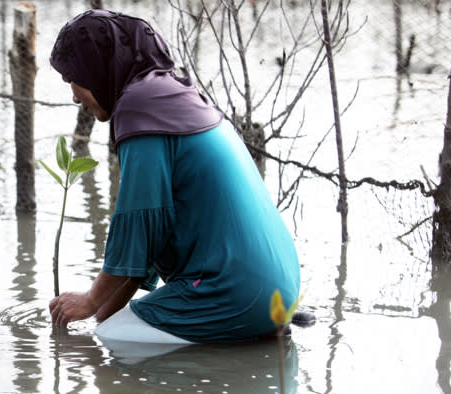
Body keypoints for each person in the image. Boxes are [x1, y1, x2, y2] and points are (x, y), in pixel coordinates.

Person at [47, 9, 302, 342]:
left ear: (96, 68)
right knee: (113, 327)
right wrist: (102, 311)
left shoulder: (140, 110)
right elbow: (148, 238)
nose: (73, 95)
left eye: (72, 79)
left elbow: (137, 223)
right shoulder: (175, 98)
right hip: (279, 293)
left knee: (113, 341)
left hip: (235, 292)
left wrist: (91, 301)